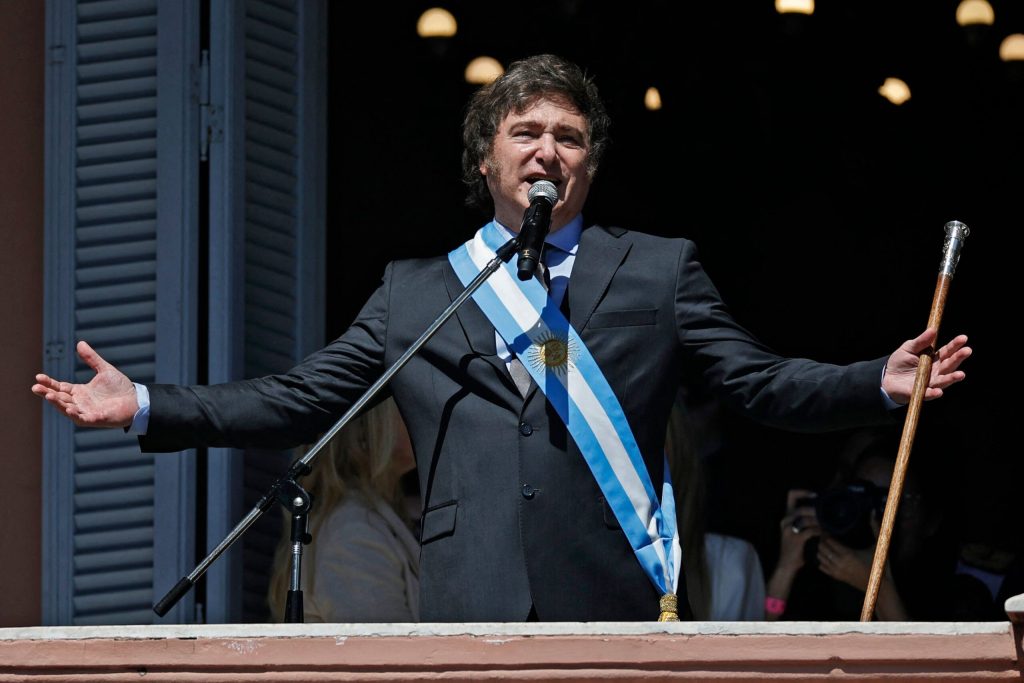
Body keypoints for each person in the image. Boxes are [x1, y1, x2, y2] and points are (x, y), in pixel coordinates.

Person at [32, 54, 972, 622]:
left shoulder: (657, 269)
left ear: (590, 164)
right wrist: (145, 402)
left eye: (570, 136)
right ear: (487, 157)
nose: (548, 150)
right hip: (468, 599)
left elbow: (758, 381)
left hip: (612, 599)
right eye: (526, 131)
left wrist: (873, 382)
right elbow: (299, 397)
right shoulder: (416, 291)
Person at [267, 397, 419, 623]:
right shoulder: (354, 530)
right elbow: (382, 642)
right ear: (366, 429)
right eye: (406, 403)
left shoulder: (365, 520)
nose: (424, 414)